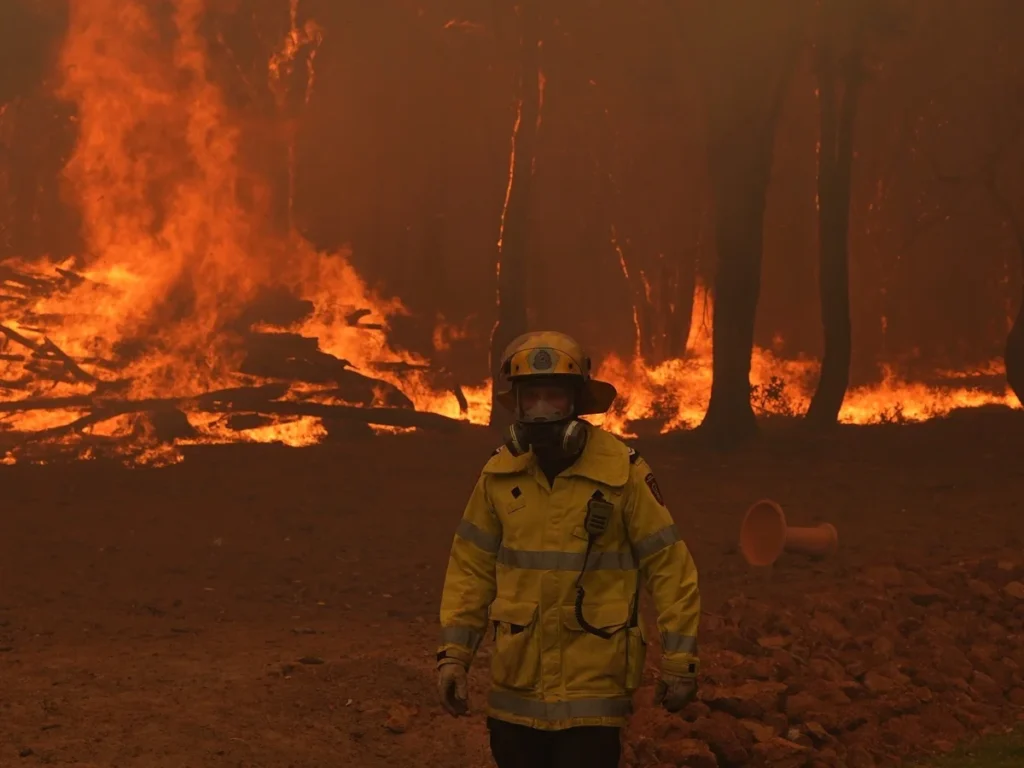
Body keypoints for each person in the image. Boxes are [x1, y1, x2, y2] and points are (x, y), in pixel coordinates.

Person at [436, 331, 701, 768]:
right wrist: (454, 657)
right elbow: (470, 570)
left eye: (553, 398)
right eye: (531, 397)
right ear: (516, 405)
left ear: (576, 402)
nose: (541, 411)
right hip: (514, 696)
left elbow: (670, 568)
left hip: (593, 698)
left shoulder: (624, 472)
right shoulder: (499, 474)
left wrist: (680, 661)